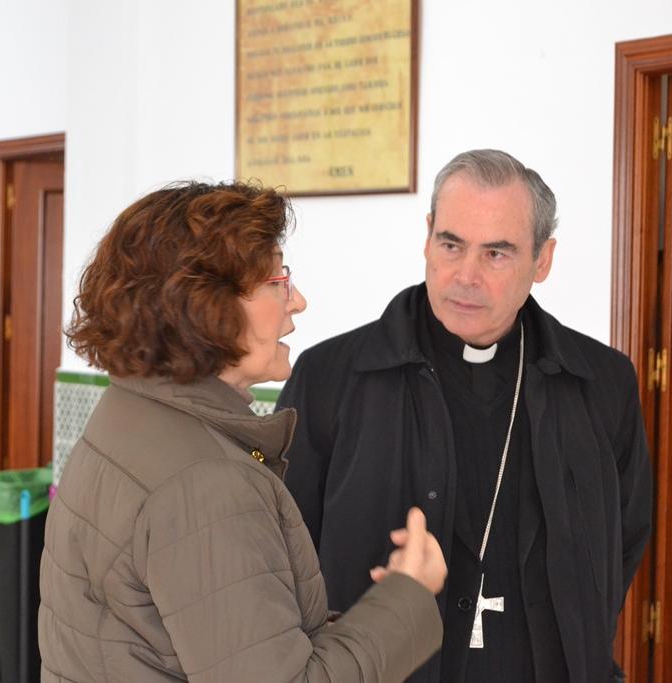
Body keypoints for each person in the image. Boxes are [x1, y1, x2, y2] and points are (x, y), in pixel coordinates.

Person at [38, 180, 448, 682]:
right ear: (206, 307)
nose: (297, 300)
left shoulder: (127, 412)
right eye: (278, 279)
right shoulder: (208, 485)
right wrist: (407, 594)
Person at [277, 150, 652, 683]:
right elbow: (284, 555)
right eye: (451, 245)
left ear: (542, 261)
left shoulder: (601, 382)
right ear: (428, 237)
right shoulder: (333, 378)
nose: (466, 276)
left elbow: (626, 537)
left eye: (497, 253)